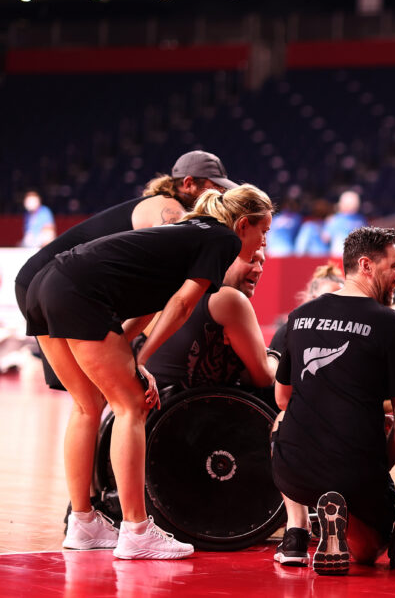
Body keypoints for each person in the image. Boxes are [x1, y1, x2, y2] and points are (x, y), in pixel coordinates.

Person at [23, 184, 272, 560]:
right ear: (242, 225)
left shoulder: (190, 231)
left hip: (45, 285)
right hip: (77, 291)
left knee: (87, 405)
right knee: (131, 406)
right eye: (263, 231)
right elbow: (182, 306)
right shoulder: (222, 240)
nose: (264, 242)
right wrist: (139, 362)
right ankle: (137, 530)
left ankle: (83, 522)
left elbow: (150, 306)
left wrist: (131, 353)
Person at [15, 150, 238, 391]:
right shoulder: (170, 210)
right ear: (188, 183)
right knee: (105, 392)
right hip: (51, 284)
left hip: (42, 283)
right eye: (215, 188)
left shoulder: (167, 209)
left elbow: (154, 297)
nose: (221, 196)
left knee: (91, 395)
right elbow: (172, 295)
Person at [271, 227, 395, 575]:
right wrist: (375, 472)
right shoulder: (391, 324)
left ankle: (299, 525)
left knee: (281, 422)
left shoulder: (299, 316)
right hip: (353, 470)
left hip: (294, 469)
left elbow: (282, 398)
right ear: (366, 265)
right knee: (371, 552)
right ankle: (346, 521)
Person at [145, 248, 274, 390]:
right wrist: (275, 357)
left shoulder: (180, 290)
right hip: (189, 408)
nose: (259, 269)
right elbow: (265, 379)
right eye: (251, 260)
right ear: (225, 258)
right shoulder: (230, 299)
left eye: (262, 263)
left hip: (162, 406)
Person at [324, 190, 367, 258]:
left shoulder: (334, 220)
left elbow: (325, 238)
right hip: (357, 258)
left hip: (339, 257)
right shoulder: (361, 220)